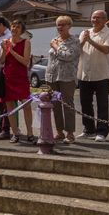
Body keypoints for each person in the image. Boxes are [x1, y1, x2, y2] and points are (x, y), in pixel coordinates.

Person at [78, 10, 109, 142]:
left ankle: (102, 132)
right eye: (93, 17)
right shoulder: (85, 32)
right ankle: (88, 130)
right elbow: (77, 50)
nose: (95, 20)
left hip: (102, 75)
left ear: (105, 19)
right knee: (85, 104)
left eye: (98, 18)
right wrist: (83, 40)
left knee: (102, 105)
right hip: (84, 75)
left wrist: (90, 41)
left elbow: (106, 50)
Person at [46, 16, 81, 144]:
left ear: (69, 26)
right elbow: (51, 59)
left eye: (63, 24)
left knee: (68, 105)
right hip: (52, 77)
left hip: (67, 77)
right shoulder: (55, 40)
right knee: (55, 105)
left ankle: (70, 133)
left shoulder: (75, 41)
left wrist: (56, 46)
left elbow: (68, 56)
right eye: (58, 25)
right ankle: (59, 131)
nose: (60, 27)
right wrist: (48, 75)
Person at [0, 19, 34, 143]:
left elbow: (25, 62)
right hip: (8, 78)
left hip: (21, 78)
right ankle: (15, 133)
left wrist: (12, 51)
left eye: (18, 27)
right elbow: (1, 61)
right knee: (10, 107)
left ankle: (30, 132)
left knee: (26, 104)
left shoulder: (26, 42)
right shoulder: (5, 42)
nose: (14, 29)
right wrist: (4, 50)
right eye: (13, 26)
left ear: (22, 30)